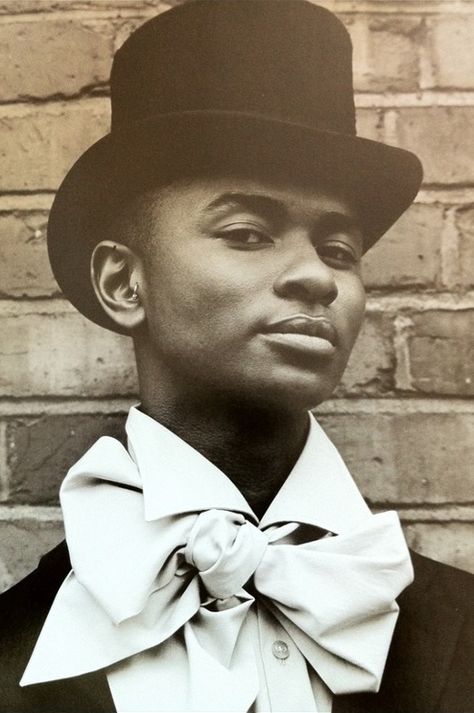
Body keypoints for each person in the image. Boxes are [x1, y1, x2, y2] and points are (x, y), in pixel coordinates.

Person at [0, 1, 473, 712]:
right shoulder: (17, 646)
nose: (317, 276)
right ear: (125, 283)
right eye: (249, 233)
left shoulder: (461, 626)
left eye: (339, 249)